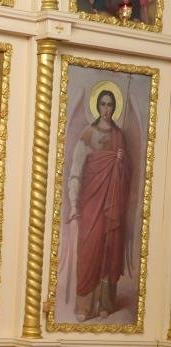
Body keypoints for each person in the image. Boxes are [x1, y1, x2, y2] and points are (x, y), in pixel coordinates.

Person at [68, 89, 131, 321]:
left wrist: (121, 163)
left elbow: (127, 174)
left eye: (110, 105)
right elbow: (76, 170)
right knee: (90, 246)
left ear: (114, 108)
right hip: (91, 200)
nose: (106, 109)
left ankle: (105, 303)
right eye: (103, 104)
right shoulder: (88, 133)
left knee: (108, 247)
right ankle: (85, 305)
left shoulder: (119, 135)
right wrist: (73, 203)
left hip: (111, 201)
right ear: (97, 106)